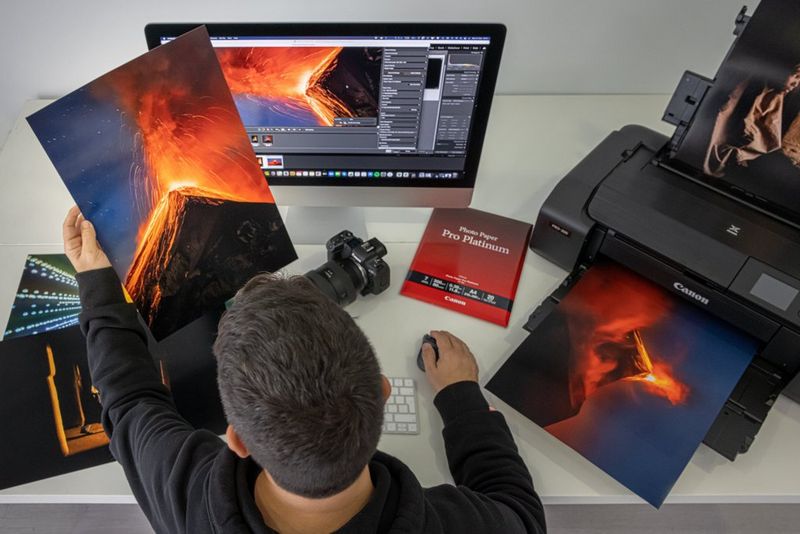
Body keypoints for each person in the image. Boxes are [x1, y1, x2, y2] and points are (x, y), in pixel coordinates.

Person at [63, 205, 546, 534]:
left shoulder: (191, 499)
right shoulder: (447, 525)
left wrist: (97, 282)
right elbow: (522, 515)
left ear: (238, 439)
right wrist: (461, 398)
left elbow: (127, 402)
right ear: (381, 392)